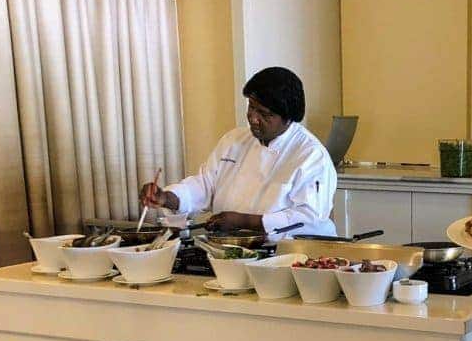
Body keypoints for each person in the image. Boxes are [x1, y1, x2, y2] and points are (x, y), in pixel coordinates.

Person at [140, 67, 337, 237]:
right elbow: (204, 186)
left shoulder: (310, 155)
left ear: (289, 118)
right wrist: (166, 198)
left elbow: (308, 219)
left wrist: (244, 222)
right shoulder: (234, 140)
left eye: (264, 114)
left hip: (289, 255)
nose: (253, 118)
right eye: (251, 107)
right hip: (231, 247)